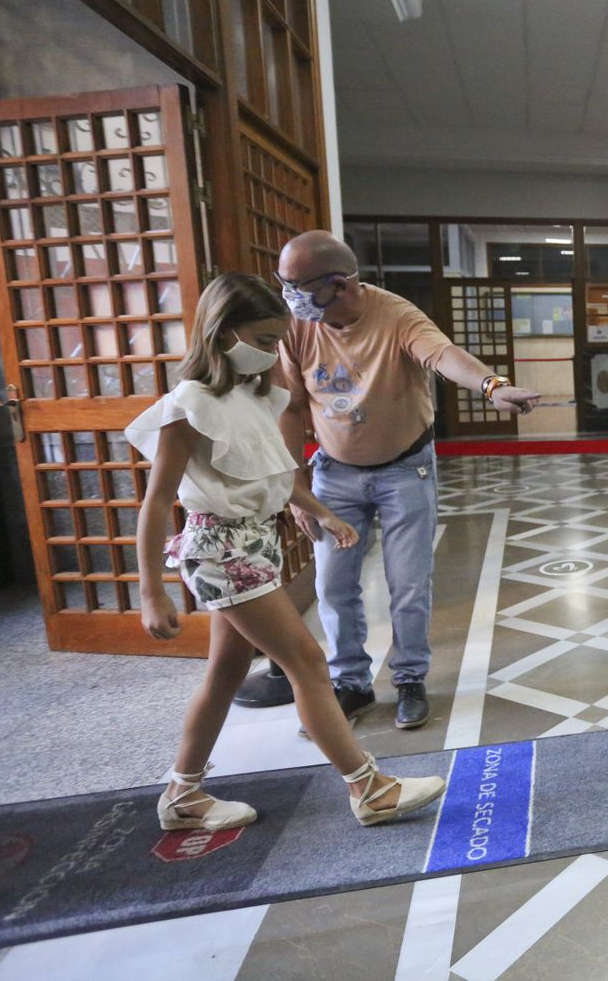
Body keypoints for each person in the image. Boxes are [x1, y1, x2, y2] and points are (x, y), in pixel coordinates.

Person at [129, 273, 446, 830]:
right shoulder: (188, 407)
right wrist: (151, 591)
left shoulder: (250, 397)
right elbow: (156, 504)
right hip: (221, 550)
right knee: (306, 662)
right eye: (265, 340)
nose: (276, 352)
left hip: (255, 542)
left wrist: (321, 512)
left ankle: (182, 795)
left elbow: (272, 471)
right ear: (224, 334)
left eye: (279, 340)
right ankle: (369, 787)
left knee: (226, 673)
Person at [275, 231, 540, 732]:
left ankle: (410, 679)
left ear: (338, 284)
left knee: (409, 584)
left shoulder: (396, 314)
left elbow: (442, 355)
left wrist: (492, 385)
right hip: (333, 473)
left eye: (297, 287)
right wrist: (297, 491)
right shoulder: (298, 328)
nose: (290, 299)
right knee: (334, 586)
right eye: (283, 286)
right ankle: (350, 683)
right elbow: (290, 406)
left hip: (405, 469)